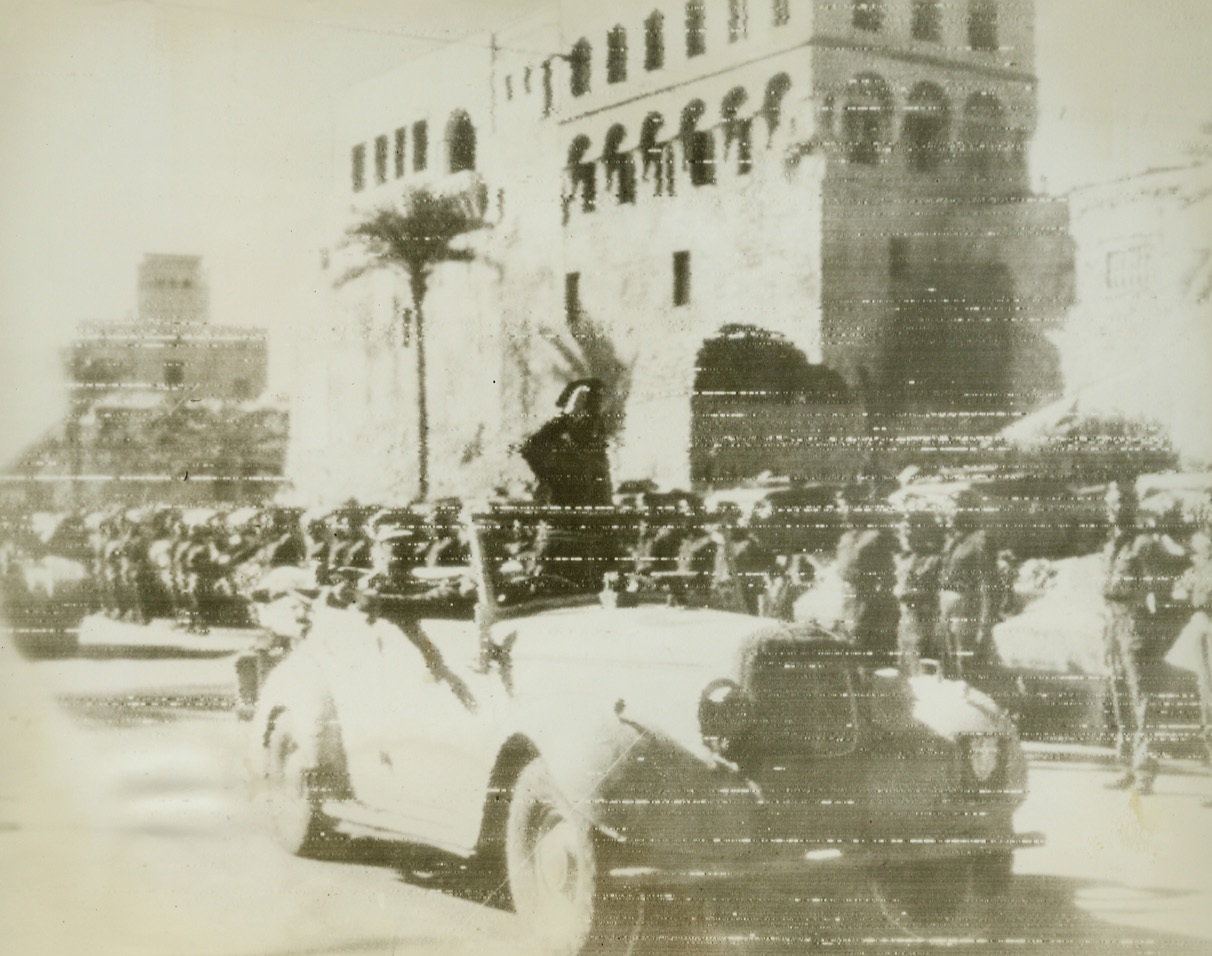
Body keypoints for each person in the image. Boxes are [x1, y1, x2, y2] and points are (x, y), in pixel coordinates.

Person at [1102, 481, 1188, 794]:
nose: (1113, 511)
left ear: (1132, 506)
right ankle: (1125, 766)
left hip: (1138, 628)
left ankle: (1144, 772)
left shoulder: (1146, 543)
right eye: (1110, 505)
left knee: (1143, 702)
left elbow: (1164, 589)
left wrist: (1153, 626)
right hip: (1113, 626)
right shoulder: (1114, 543)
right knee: (1120, 699)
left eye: (1120, 505)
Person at [834, 483, 900, 667]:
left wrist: (874, 610)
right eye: (841, 506)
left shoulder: (876, 537)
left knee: (870, 660)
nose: (842, 512)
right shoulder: (845, 538)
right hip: (849, 603)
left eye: (846, 506)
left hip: (871, 607)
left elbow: (888, 577)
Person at [519, 378, 612, 508]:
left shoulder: (593, 448)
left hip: (589, 506)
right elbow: (530, 447)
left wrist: (568, 414)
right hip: (567, 506)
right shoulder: (563, 448)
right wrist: (567, 415)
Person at [939, 489, 999, 678]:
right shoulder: (954, 541)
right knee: (950, 670)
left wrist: (984, 627)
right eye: (948, 507)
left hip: (967, 613)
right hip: (948, 612)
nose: (950, 512)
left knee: (969, 669)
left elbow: (989, 586)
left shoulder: (980, 540)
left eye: (956, 508)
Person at [896, 511, 946, 674]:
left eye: (911, 529)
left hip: (928, 622)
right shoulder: (907, 559)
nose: (907, 534)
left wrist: (910, 595)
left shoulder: (937, 560)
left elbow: (940, 592)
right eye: (906, 531)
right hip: (907, 620)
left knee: (926, 668)